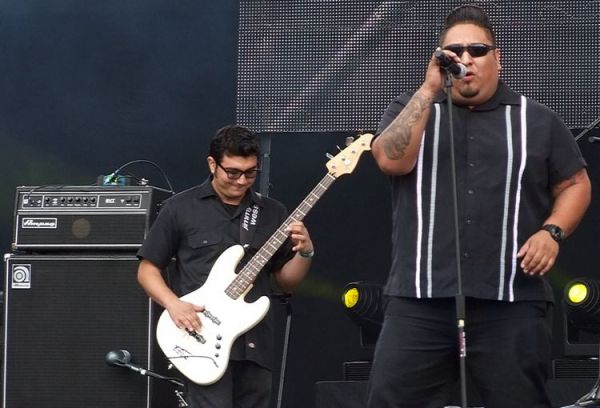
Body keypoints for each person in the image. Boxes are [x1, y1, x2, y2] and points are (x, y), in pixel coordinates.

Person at [367, 5, 591, 408]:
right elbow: (389, 160)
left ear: (497, 58)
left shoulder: (536, 120)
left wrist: (552, 232)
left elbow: (576, 184)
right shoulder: (413, 109)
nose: (466, 59)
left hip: (511, 299)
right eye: (454, 51)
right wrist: (428, 90)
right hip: (420, 299)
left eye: (477, 50)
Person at [137, 125, 314, 408]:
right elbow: (147, 270)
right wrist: (173, 304)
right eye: (232, 172)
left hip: (254, 344)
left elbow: (285, 283)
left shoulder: (273, 212)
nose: (242, 181)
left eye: (250, 173)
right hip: (200, 338)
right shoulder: (180, 208)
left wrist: (305, 252)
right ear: (212, 164)